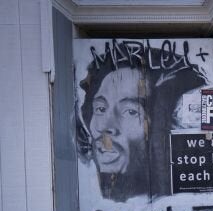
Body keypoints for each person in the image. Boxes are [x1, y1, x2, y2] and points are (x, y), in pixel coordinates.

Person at [78, 46, 206, 202]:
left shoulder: (182, 200)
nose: (105, 127)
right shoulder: (89, 197)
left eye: (130, 112)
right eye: (100, 108)